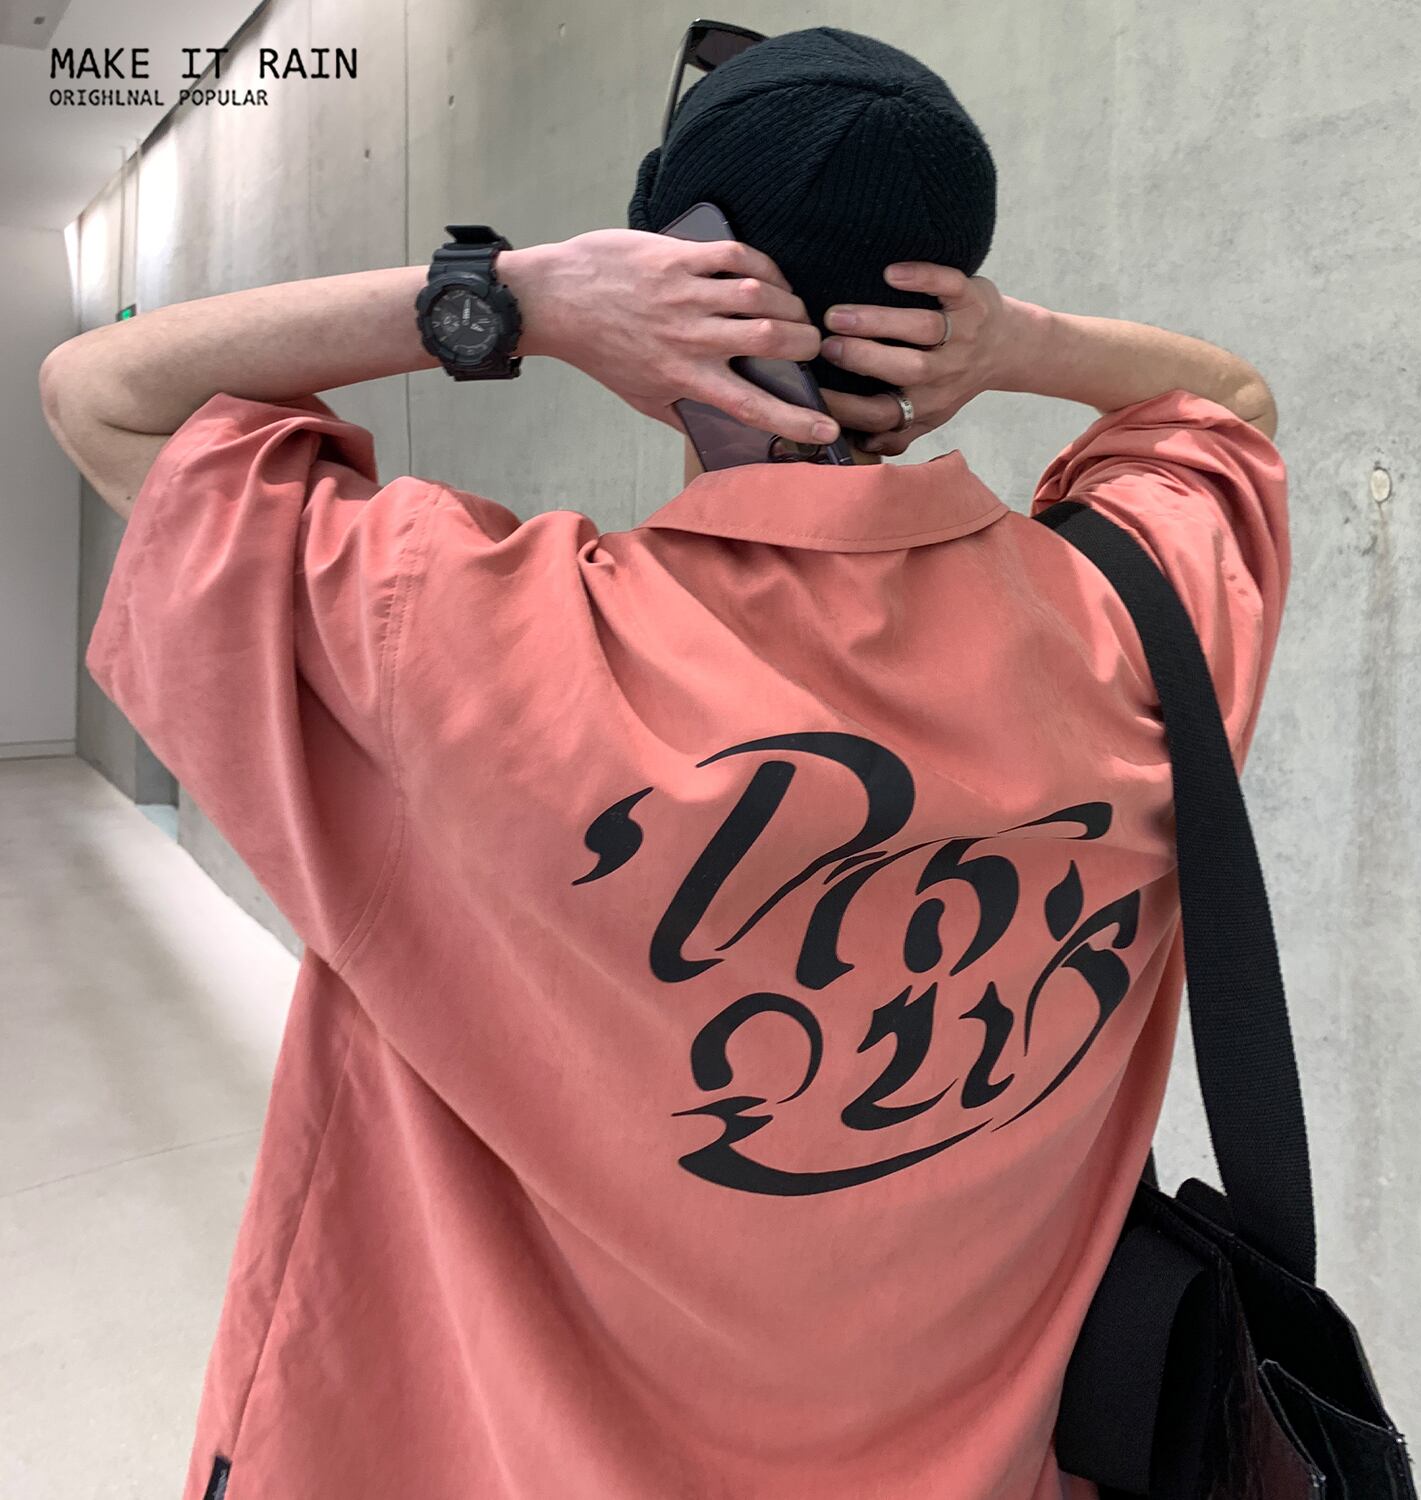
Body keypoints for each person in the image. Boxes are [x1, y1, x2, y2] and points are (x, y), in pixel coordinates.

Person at [38, 24, 1285, 1500]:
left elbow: (100, 392)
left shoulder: (454, 641)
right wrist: (1011, 348)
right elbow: (1226, 409)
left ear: (671, 273)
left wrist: (516, 299)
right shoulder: (1133, 632)